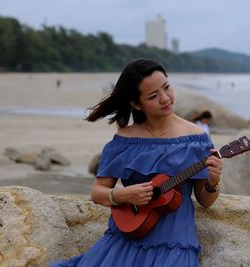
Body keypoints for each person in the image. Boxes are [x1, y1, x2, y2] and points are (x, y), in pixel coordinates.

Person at [49, 58, 222, 267]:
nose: (165, 98)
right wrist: (122, 194)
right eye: (153, 96)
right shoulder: (125, 140)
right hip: (124, 239)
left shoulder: (195, 138)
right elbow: (98, 192)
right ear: (136, 103)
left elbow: (205, 200)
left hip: (174, 245)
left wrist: (213, 181)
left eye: (167, 87)